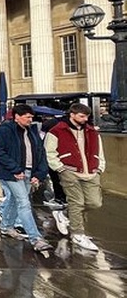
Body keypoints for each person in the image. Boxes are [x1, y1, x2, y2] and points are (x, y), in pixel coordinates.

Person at [43, 103, 105, 252]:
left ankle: (63, 213)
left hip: (90, 171)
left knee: (94, 203)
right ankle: (77, 233)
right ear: (72, 114)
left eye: (86, 116)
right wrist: (60, 169)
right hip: (69, 171)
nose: (85, 119)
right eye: (82, 116)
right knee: (77, 202)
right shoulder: (57, 131)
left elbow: (100, 151)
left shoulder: (92, 132)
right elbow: (49, 151)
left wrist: (99, 167)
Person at [0, 103, 53, 253]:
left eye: (31, 117)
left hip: (28, 171)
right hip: (11, 173)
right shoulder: (5, 130)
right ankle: (36, 238)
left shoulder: (32, 131)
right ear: (17, 117)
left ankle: (6, 226)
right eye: (27, 117)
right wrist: (15, 169)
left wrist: (39, 174)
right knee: (24, 203)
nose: (30, 120)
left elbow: (40, 152)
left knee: (14, 199)